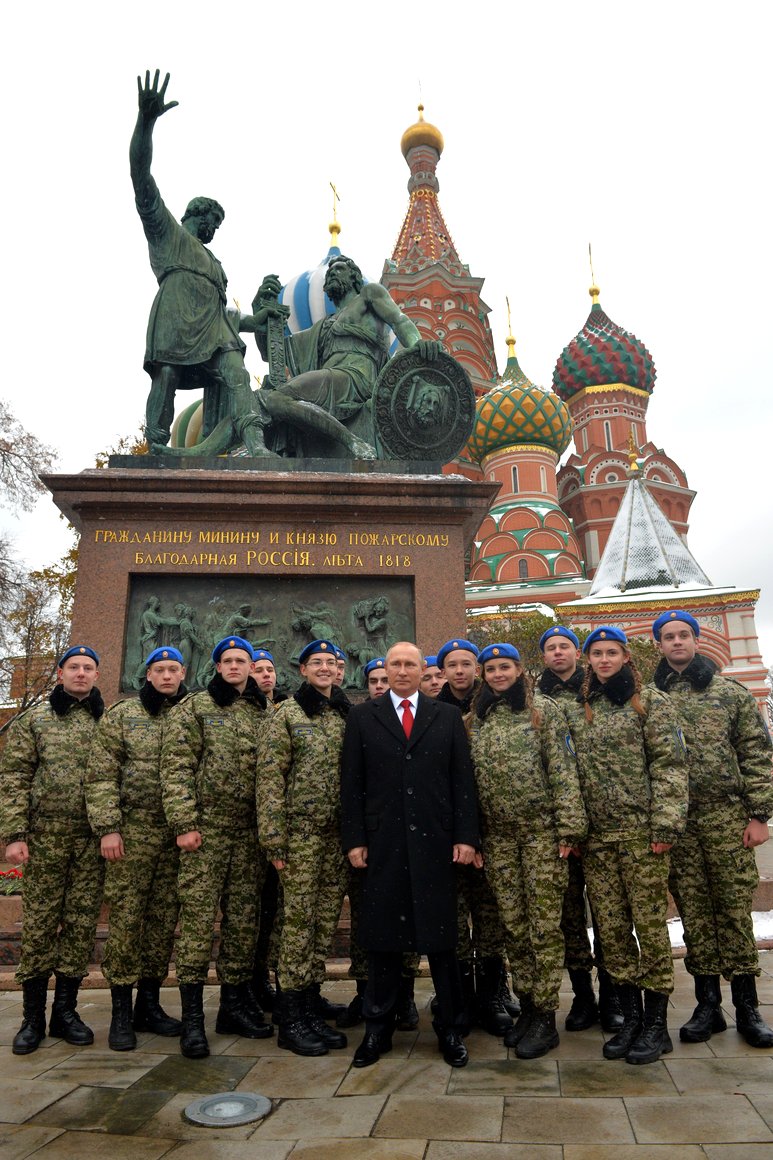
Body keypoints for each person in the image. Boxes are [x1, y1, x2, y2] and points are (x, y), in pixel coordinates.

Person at [130, 70, 286, 456]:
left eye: (217, 225)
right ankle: (157, 446)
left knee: (237, 375)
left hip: (212, 332)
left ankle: (254, 443)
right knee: (165, 375)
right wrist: (145, 123)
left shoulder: (216, 265)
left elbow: (224, 318)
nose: (214, 230)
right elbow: (140, 176)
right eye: (211, 222)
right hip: (174, 318)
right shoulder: (167, 232)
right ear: (194, 215)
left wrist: (258, 320)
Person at [341, 641, 481, 1069]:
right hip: (383, 845)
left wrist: (466, 837)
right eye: (394, 664)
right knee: (383, 941)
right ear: (386, 669)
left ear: (425, 671)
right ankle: (377, 1029)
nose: (402, 671)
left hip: (435, 845)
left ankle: (451, 1029)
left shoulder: (447, 717)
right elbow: (351, 784)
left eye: (410, 665)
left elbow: (463, 782)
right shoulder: (363, 717)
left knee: (442, 941)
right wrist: (355, 840)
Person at [562, 626, 688, 1065]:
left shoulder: (651, 701)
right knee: (612, 931)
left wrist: (665, 826)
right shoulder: (580, 710)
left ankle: (657, 1023)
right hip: (598, 841)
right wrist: (576, 831)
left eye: (610, 652)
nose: (602, 660)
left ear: (626, 656)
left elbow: (671, 765)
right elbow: (570, 777)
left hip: (642, 837)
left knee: (650, 928)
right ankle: (630, 1017)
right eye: (595, 653)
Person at [651, 609, 773, 1047]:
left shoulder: (729, 694)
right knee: (695, 914)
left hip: (726, 817)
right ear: (659, 645)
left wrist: (760, 816)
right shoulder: (650, 698)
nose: (678, 642)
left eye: (684, 634)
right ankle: (707, 1006)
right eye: (669, 636)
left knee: (734, 910)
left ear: (696, 639)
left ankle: (747, 1007)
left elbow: (757, 753)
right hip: (678, 821)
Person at [470, 644, 587, 1058]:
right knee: (514, 926)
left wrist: (568, 830)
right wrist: (477, 836)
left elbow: (563, 768)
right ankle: (528, 1004)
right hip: (500, 839)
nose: (498, 674)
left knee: (543, 926)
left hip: (541, 834)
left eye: (505, 667)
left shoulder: (543, 711)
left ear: (519, 670)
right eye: (491, 669)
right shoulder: (478, 719)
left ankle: (545, 1014)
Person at [160, 635, 272, 1058]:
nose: (234, 667)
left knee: (243, 924)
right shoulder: (197, 708)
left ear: (251, 666)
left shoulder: (263, 712)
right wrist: (185, 823)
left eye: (241, 660)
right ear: (217, 666)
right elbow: (176, 768)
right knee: (197, 921)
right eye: (227, 660)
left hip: (248, 836)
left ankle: (233, 1008)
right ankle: (192, 1020)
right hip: (204, 833)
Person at [0, 646, 105, 1055]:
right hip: (44, 839)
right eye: (74, 667)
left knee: (80, 925)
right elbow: (14, 777)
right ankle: (32, 1018)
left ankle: (65, 1012)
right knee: (42, 925)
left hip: (90, 842)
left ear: (97, 675)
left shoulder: (107, 722)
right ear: (60, 673)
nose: (81, 674)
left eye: (88, 668)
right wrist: (14, 834)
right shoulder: (36, 720)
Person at [85, 646, 188, 1051]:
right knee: (128, 921)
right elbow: (101, 775)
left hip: (176, 836)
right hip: (131, 834)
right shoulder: (123, 715)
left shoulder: (190, 714)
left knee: (163, 921)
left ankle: (149, 1004)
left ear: (183, 673)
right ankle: (121, 1014)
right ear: (147, 675)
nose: (166, 676)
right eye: (159, 670)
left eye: (173, 670)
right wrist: (108, 828)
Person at [258, 640, 351, 1056]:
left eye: (331, 663)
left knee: (323, 920)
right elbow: (270, 780)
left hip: (337, 837)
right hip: (299, 838)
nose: (325, 669)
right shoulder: (287, 715)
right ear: (303, 669)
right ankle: (291, 1015)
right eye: (318, 663)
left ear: (340, 669)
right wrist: (274, 837)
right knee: (297, 923)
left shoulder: (345, 715)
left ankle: (310, 1005)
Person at [255, 255, 441, 456]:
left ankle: (353, 442)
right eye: (330, 271)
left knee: (277, 399)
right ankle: (346, 441)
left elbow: (399, 320)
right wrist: (259, 311)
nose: (333, 272)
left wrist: (417, 343)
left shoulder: (369, 294)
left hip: (356, 377)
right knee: (265, 401)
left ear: (354, 277)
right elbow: (272, 352)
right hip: (333, 376)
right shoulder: (323, 326)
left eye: (340, 268)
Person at [538, 626, 622, 1034]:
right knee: (570, 916)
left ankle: (613, 997)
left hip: (605, 823)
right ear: (543, 657)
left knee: (608, 914)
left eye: (564, 646)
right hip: (558, 827)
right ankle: (583, 998)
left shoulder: (602, 692)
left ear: (579, 653)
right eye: (550, 648)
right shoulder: (533, 699)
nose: (558, 653)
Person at [436, 639, 514, 1037]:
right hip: (449, 832)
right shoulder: (433, 712)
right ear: (443, 671)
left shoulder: (494, 707)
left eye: (468, 663)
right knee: (453, 914)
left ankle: (493, 993)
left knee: (489, 916)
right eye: (453, 664)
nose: (461, 671)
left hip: (494, 830)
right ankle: (459, 994)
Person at [338, 657, 421, 1033]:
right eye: (375, 680)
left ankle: (403, 999)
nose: (381, 684)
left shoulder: (434, 715)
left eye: (383, 679)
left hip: (414, 840)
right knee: (371, 923)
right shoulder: (360, 717)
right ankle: (369, 997)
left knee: (408, 920)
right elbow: (352, 783)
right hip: (372, 840)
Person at [249, 647, 285, 1011]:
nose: (265, 675)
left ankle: (275, 983)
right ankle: (251, 983)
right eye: (257, 669)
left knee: (277, 910)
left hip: (281, 830)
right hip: (244, 829)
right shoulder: (240, 712)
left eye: (269, 669)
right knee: (251, 912)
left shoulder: (286, 712)